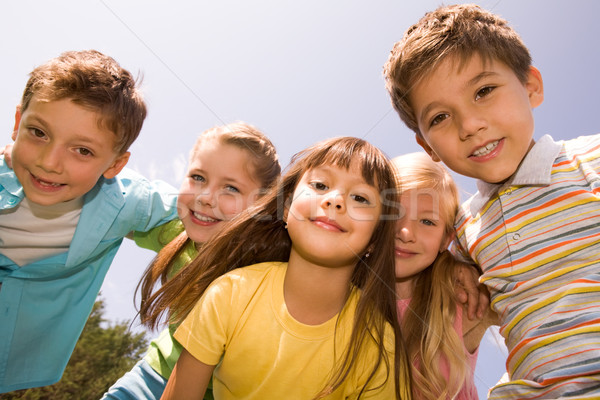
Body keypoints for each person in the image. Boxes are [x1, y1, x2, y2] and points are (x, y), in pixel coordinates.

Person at [383, 3, 600, 398]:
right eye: (440, 118)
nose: (470, 125)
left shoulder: (589, 161)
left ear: (531, 85)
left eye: (484, 91)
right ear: (426, 146)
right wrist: (455, 268)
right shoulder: (464, 232)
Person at [141, 136, 412, 399]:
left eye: (361, 199)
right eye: (319, 185)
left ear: (375, 239)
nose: (335, 200)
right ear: (286, 208)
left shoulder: (380, 346)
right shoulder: (230, 293)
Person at [0, 50, 178, 393]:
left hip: (16, 353)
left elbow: (197, 210)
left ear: (114, 165)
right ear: (17, 122)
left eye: (82, 150)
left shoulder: (124, 201)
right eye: (38, 132)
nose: (50, 162)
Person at [101, 122, 281, 400]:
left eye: (230, 188)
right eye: (198, 178)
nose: (206, 198)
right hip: (153, 376)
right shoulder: (176, 233)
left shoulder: (270, 267)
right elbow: (112, 204)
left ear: (262, 204)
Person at [393, 152, 497, 399]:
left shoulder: (464, 301)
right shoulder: (341, 292)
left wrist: (461, 260)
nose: (406, 232)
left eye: (428, 222)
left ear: (446, 240)